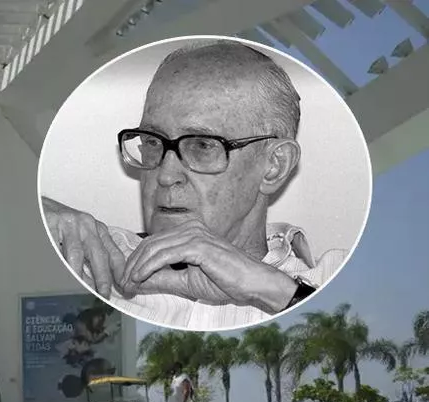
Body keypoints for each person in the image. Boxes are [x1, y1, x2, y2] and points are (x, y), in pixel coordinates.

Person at [42, 40, 346, 330]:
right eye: (152, 141)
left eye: (202, 145)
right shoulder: (87, 256)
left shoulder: (333, 278)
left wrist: (274, 290)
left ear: (273, 166)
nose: (164, 174)